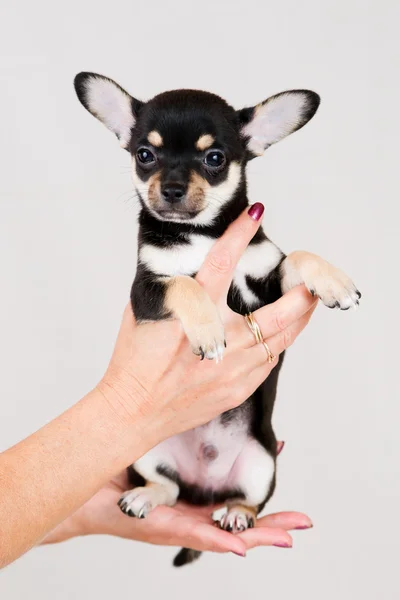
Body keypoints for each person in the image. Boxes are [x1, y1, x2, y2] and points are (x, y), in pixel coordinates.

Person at [0, 205, 317, 569]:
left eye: (212, 159)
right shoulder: (157, 239)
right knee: (152, 455)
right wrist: (131, 403)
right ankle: (161, 487)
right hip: (169, 451)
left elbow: (288, 278)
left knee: (257, 466)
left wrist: (310, 269)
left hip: (235, 448)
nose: (174, 182)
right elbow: (149, 294)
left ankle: (243, 502)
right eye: (148, 157)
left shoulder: (258, 251)